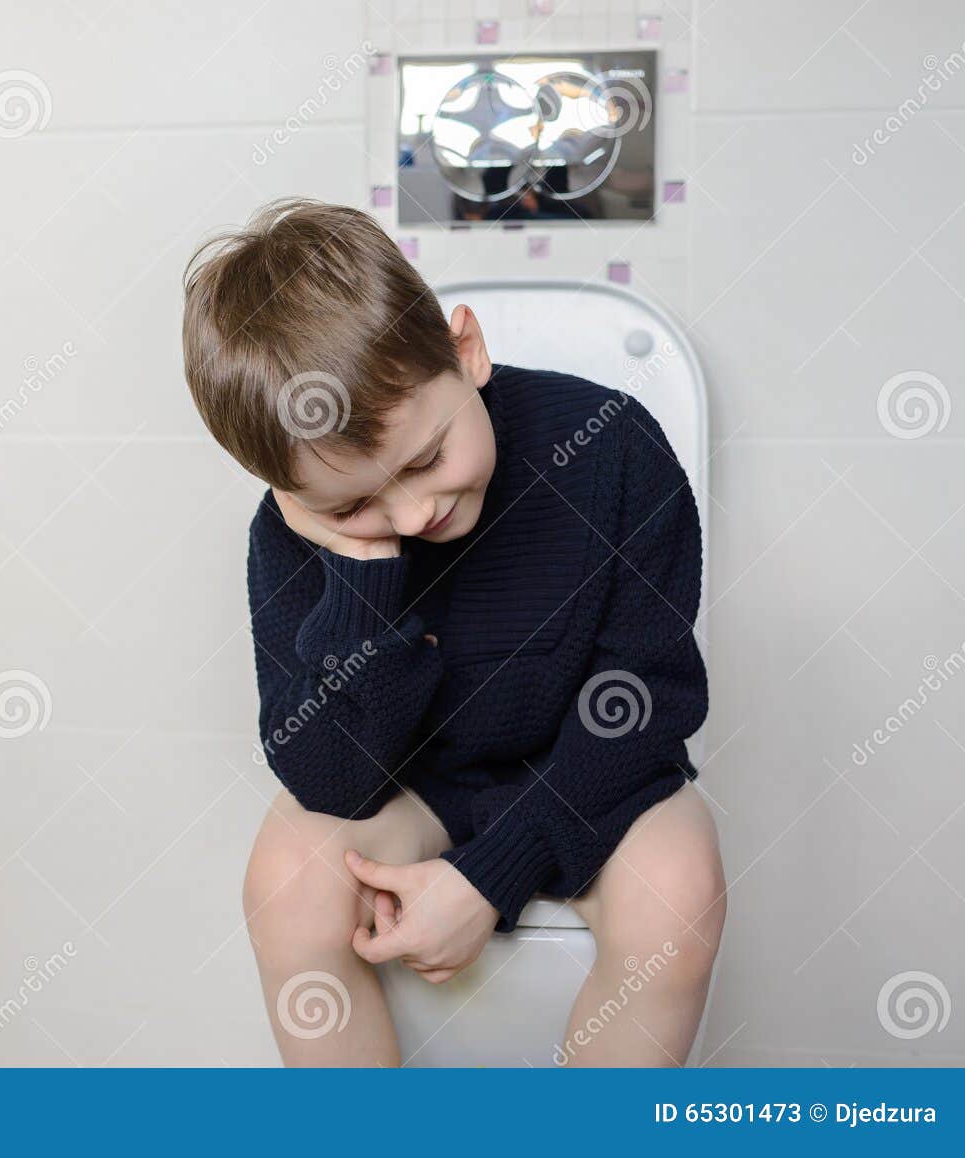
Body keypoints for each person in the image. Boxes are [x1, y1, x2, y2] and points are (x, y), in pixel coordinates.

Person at [179, 198, 726, 1066]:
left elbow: (649, 701)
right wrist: (361, 576)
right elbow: (329, 779)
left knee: (678, 895)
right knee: (287, 882)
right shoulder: (290, 532)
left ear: (464, 351)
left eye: (427, 459)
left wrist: (493, 873)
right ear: (288, 492)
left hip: (594, 778)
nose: (414, 512)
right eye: (356, 503)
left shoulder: (612, 448)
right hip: (420, 789)